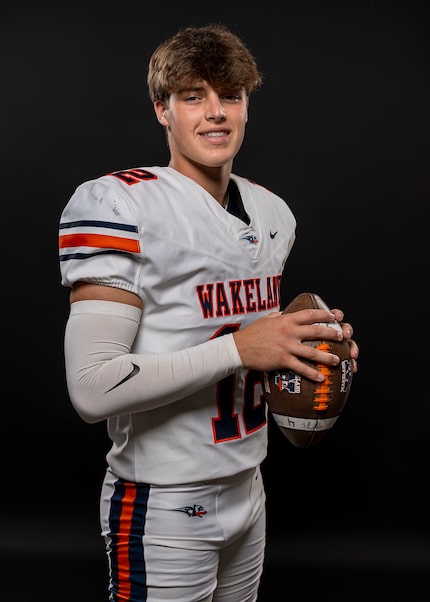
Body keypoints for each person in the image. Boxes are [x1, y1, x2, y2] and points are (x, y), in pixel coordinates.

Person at [58, 23, 359, 602]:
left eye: (232, 95)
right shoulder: (120, 204)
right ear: (162, 111)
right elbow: (91, 389)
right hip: (163, 499)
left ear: (247, 106)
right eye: (193, 96)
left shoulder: (272, 211)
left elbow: (261, 344)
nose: (216, 113)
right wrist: (243, 349)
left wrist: (314, 348)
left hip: (250, 486)